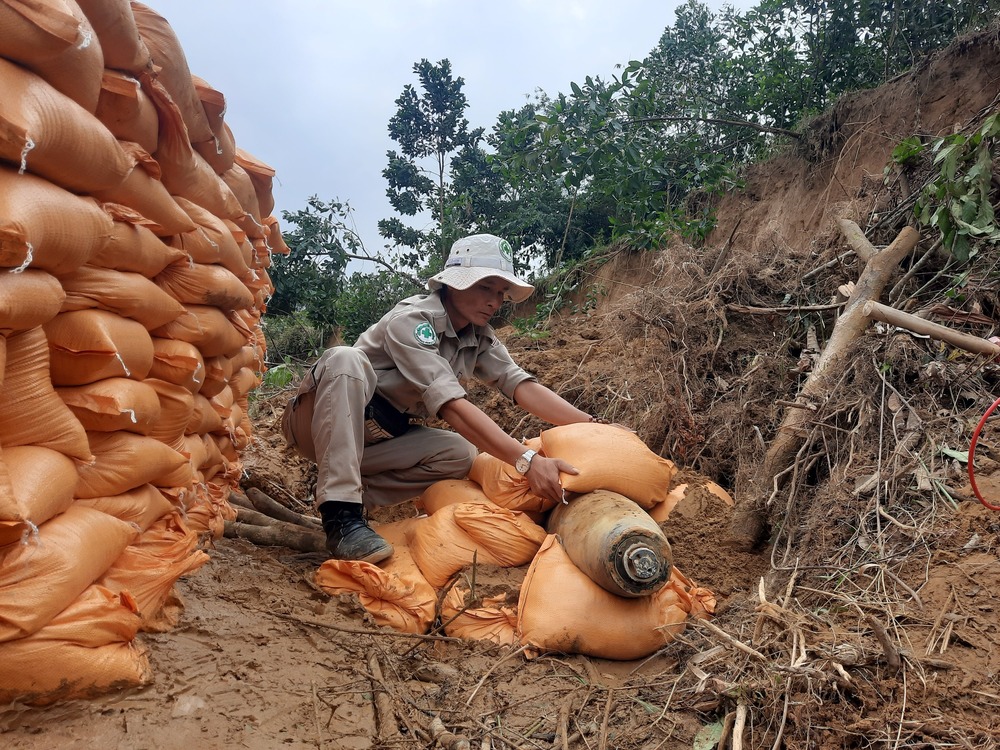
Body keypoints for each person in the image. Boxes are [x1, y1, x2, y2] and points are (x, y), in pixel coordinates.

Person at [281, 233, 607, 563]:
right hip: (317, 424)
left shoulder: (478, 338)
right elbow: (451, 406)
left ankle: (350, 495)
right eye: (485, 287)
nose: (494, 301)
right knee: (344, 358)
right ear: (454, 284)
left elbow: (519, 384)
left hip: (375, 439)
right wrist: (527, 461)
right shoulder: (413, 321)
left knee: (459, 453)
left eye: (500, 292)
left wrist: (595, 426)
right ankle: (341, 515)